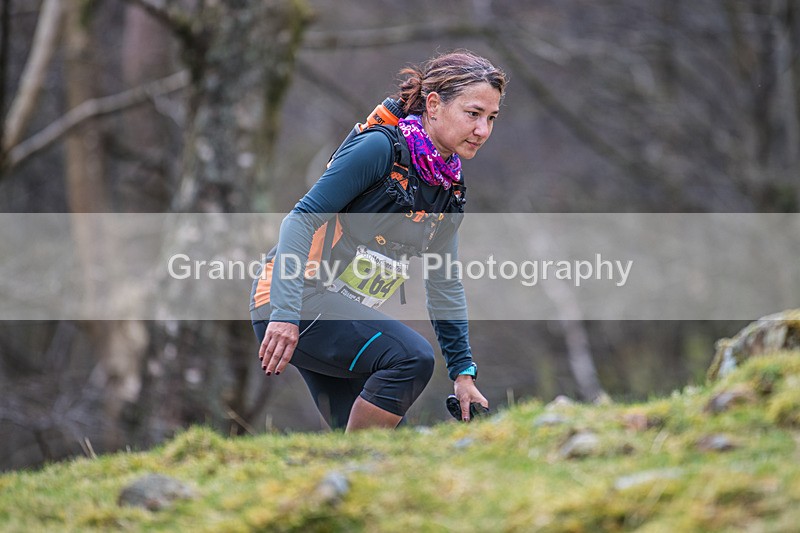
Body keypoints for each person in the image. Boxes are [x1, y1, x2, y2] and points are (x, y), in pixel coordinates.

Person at [250, 50, 506, 431]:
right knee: (411, 358)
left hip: (338, 311)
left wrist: (463, 373)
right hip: (293, 299)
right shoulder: (380, 148)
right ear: (433, 105)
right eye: (473, 114)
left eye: (491, 118)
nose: (483, 130)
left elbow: (444, 283)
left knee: (383, 447)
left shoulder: (448, 187)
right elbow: (299, 221)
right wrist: (286, 315)